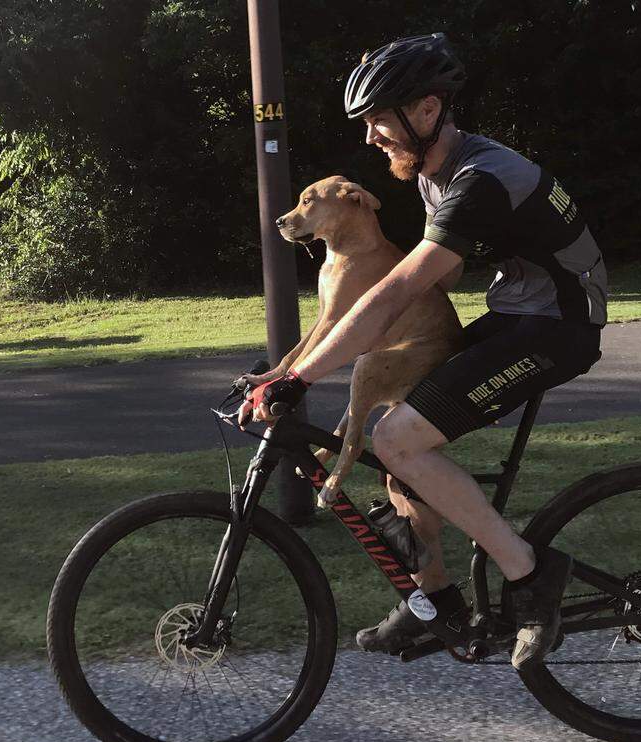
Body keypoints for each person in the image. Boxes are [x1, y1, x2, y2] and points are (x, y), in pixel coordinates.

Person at [238, 33, 607, 671]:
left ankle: (531, 574)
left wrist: (298, 379)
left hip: (558, 327)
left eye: (379, 120)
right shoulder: (438, 172)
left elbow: (396, 291)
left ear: (428, 110)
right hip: (518, 314)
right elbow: (442, 275)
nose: (370, 137)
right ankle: (432, 600)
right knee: (397, 451)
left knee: (398, 438)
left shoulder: (477, 179)